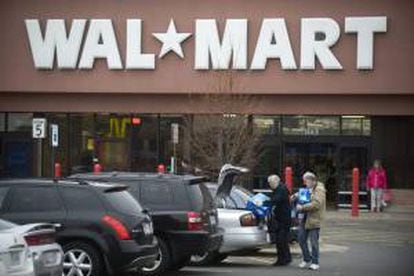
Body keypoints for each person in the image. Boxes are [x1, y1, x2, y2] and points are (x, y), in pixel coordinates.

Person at [295, 171, 326, 271]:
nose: (304, 183)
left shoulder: (320, 190)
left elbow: (316, 204)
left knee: (313, 243)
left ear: (312, 180)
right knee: (301, 239)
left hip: (314, 219)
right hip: (304, 218)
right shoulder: (308, 188)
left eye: (306, 181)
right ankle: (307, 258)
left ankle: (315, 262)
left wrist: (302, 207)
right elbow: (304, 194)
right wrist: (295, 195)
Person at [267, 174, 292, 266]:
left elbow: (276, 200)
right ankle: (284, 258)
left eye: (270, 183)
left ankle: (284, 259)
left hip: (284, 219)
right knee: (281, 240)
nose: (269, 185)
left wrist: (265, 202)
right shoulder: (278, 189)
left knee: (281, 240)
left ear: (276, 181)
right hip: (280, 218)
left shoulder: (281, 189)